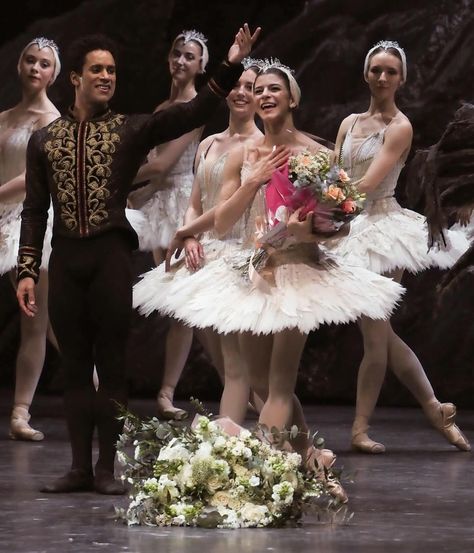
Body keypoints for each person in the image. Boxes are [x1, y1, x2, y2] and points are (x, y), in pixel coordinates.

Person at [16, 25, 261, 494]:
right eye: (97, 70)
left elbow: (196, 109)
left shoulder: (131, 127)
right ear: (75, 78)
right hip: (66, 259)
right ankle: (77, 468)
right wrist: (28, 270)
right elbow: (33, 210)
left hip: (110, 257)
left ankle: (106, 468)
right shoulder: (44, 141)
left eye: (111, 70)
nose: (107, 77)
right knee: (72, 368)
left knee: (110, 363)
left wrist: (230, 65)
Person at [137, 59, 404, 467]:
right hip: (255, 271)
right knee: (259, 380)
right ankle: (311, 458)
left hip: (298, 273)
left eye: (273, 89)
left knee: (279, 385)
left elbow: (343, 225)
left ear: (292, 97)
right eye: (258, 89)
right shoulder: (245, 154)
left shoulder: (316, 154)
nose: (263, 95)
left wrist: (304, 232)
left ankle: (262, 470)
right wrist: (251, 181)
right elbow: (224, 220)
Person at [329, 40, 470, 453]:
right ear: (365, 73)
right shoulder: (349, 122)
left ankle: (360, 428)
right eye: (376, 69)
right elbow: (334, 169)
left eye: (391, 71)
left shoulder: (400, 126)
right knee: (379, 332)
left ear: (402, 78)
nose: (382, 77)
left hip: (381, 229)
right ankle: (434, 406)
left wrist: (326, 199)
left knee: (375, 336)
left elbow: (369, 184)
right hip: (346, 223)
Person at [133, 59, 264, 424]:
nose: (240, 92)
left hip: (241, 254)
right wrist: (189, 234)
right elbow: (195, 202)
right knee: (231, 363)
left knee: (252, 372)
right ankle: (236, 440)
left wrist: (189, 232)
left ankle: (278, 447)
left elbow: (231, 209)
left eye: (250, 87)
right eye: (236, 85)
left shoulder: (259, 145)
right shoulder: (208, 143)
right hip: (209, 252)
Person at [129, 30, 212, 420]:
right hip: (157, 202)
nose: (181, 61)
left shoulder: (194, 107)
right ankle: (239, 385)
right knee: (177, 304)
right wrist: (136, 195)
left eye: (190, 56)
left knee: (184, 305)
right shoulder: (163, 106)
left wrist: (116, 179)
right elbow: (150, 164)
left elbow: (162, 166)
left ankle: (167, 393)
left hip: (182, 203)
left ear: (201, 66)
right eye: (177, 53)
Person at [0, 37, 60, 441]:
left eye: (44, 63)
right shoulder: (4, 116)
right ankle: (100, 390)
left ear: (54, 74)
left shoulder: (51, 119)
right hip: (4, 216)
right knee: (49, 323)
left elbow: (34, 177)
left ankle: (20, 412)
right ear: (19, 66)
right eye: (30, 61)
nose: (36, 68)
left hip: (33, 221)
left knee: (37, 319)